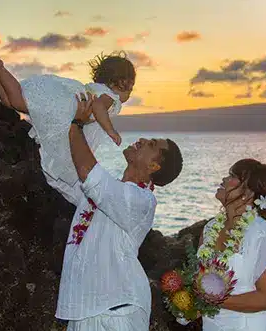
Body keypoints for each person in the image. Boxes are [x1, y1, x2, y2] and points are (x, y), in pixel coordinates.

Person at [55, 93, 183, 330]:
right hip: (85, 310)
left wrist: (76, 125)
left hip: (117, 312)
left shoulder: (141, 201)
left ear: (154, 166)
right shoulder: (111, 192)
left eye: (152, 145)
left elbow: (89, 174)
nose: (143, 139)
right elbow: (63, 177)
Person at [0, 51, 135, 186]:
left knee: (11, 102)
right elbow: (97, 106)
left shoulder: (99, 88)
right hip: (65, 106)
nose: (130, 92)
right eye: (131, 87)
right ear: (120, 83)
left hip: (65, 100)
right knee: (17, 100)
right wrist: (110, 130)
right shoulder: (111, 97)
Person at [193, 159, 266, 330]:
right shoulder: (210, 228)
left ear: (248, 194)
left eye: (232, 176)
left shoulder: (260, 233)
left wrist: (213, 301)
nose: (224, 179)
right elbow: (200, 280)